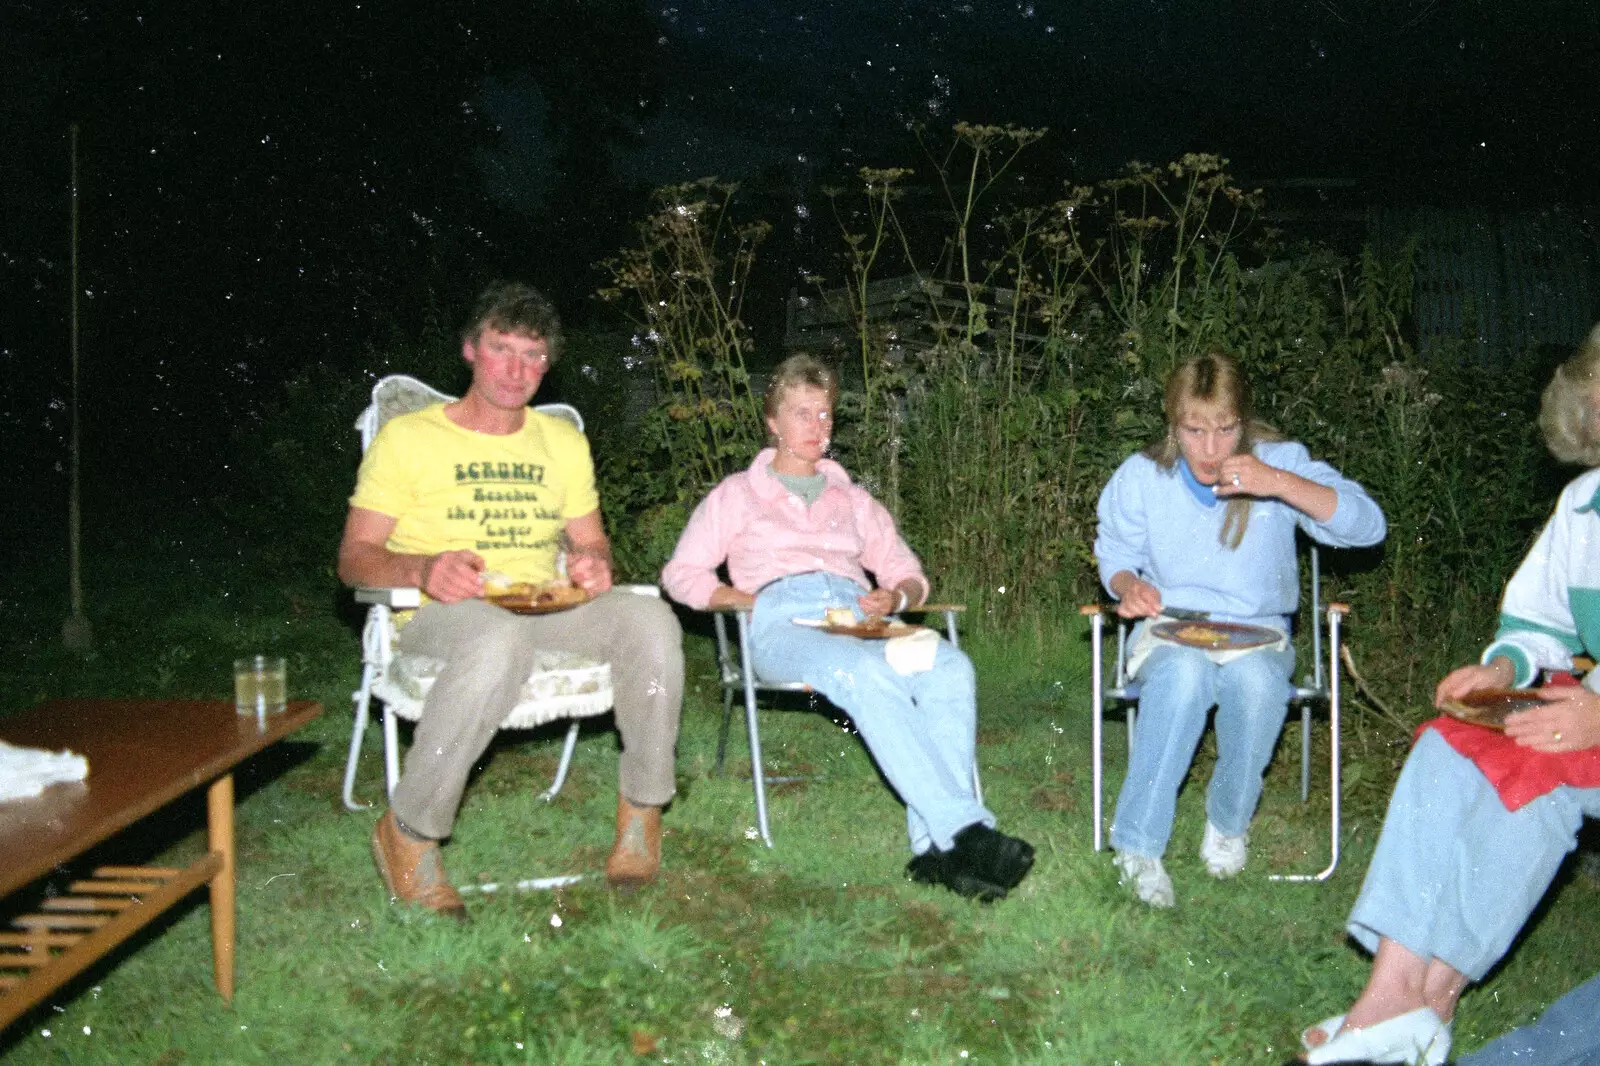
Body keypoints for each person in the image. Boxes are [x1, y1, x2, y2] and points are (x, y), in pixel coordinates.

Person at [1292, 326, 1600, 1065]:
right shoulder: (1585, 507)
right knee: (1452, 740)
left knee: (1538, 777)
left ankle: (1426, 1004)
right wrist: (1502, 670)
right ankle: (1399, 995)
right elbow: (1538, 621)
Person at [337, 281, 684, 919]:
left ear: (547, 364)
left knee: (652, 619)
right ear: (470, 350)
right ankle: (408, 833)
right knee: (498, 638)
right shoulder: (410, 439)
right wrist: (422, 568)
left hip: (545, 606)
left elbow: (595, 544)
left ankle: (642, 812)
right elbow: (354, 556)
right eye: (501, 350)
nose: (515, 371)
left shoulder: (563, 443)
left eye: (532, 356)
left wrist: (592, 564)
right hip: (444, 613)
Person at [660, 353, 1034, 900]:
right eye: (803, 414)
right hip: (781, 621)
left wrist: (896, 595)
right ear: (773, 421)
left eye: (826, 415)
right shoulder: (737, 495)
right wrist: (743, 599)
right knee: (865, 671)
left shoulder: (853, 499)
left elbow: (909, 574)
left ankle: (934, 852)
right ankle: (966, 831)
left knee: (950, 668)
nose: (818, 427)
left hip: (855, 615)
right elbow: (680, 573)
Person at [1095, 351, 1386, 907]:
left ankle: (1228, 823)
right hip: (1171, 628)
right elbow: (1115, 551)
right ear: (1172, 423)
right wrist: (1128, 585)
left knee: (1256, 686)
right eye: (1194, 430)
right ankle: (1138, 846)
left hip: (1258, 631)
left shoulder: (1280, 460)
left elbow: (1368, 527)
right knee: (1181, 678)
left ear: (1244, 422)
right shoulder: (1143, 474)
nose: (1210, 449)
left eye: (1226, 430)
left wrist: (1278, 482)